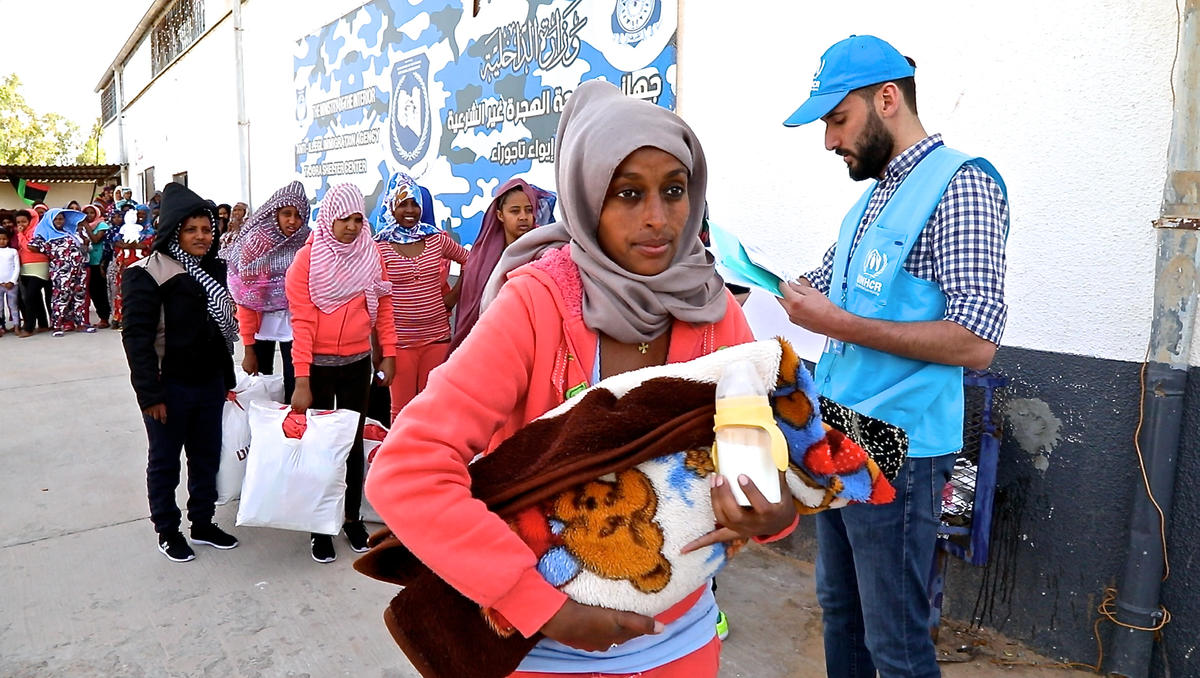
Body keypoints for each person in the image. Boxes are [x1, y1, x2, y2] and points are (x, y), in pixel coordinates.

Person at [365, 80, 797, 678]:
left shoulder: (713, 308)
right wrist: (540, 607)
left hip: (682, 644)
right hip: (545, 652)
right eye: (627, 194)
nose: (658, 219)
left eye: (674, 191)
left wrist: (775, 514)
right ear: (587, 197)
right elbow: (407, 470)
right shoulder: (536, 307)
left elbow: (772, 451)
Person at [776, 35, 1009, 678]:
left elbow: (976, 340)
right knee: (842, 614)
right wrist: (744, 282)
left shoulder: (961, 185)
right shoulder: (869, 201)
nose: (829, 141)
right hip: (844, 427)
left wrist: (838, 321)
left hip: (902, 442)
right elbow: (821, 287)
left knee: (896, 640)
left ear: (888, 99)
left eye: (837, 120)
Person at [121, 181, 241, 563]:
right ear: (174, 231)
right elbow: (137, 340)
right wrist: (150, 396)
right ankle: (168, 530)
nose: (202, 236)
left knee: (206, 457)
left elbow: (220, 333)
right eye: (192, 230)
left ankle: (202, 523)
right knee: (165, 462)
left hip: (209, 384)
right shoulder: (147, 273)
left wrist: (227, 381)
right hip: (168, 387)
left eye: (206, 229)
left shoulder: (214, 270)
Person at [286, 182, 397, 563]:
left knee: (350, 445)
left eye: (357, 219)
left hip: (355, 364)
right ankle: (320, 525)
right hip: (317, 368)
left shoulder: (371, 254)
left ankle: (350, 517)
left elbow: (384, 307)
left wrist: (389, 354)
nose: (351, 226)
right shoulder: (308, 261)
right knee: (319, 447)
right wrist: (301, 380)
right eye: (343, 219)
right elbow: (301, 321)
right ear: (329, 218)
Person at [372, 171, 469, 422]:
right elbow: (373, 300)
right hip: (399, 344)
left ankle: (430, 460)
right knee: (401, 411)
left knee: (434, 408)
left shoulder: (435, 239)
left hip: (437, 339)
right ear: (391, 206)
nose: (410, 210)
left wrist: (452, 297)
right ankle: (400, 461)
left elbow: (471, 261)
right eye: (403, 203)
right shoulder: (378, 246)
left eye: (415, 203)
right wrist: (378, 350)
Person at [448, 177, 555, 353]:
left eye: (528, 210)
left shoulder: (544, 253)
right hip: (490, 346)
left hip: (533, 345)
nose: (523, 217)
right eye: (515, 211)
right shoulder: (481, 259)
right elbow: (471, 314)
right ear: (500, 215)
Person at [230, 181, 309, 401]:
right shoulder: (255, 244)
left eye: (298, 215)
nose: (292, 221)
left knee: (295, 389)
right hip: (260, 329)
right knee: (261, 392)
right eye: (286, 213)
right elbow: (245, 300)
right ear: (275, 213)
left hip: (298, 328)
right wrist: (248, 349)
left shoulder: (308, 243)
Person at [28, 208, 94, 336]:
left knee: (79, 295)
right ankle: (57, 325)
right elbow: (31, 246)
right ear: (50, 220)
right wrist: (50, 252)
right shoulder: (45, 234)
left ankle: (80, 323)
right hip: (62, 271)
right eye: (56, 219)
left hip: (79, 268)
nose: (59, 221)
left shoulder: (69, 232)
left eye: (61, 219)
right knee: (61, 296)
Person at [13, 209, 52, 337]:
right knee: (35, 297)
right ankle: (43, 324)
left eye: (24, 221)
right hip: (25, 268)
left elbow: (29, 247)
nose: (21, 224)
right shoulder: (20, 233)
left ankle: (29, 328)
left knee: (29, 297)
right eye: (18, 222)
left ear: (31, 221)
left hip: (39, 266)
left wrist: (20, 235)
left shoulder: (37, 231)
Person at [82, 204, 112, 328]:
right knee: (93, 291)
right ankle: (101, 316)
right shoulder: (81, 228)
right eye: (86, 213)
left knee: (100, 291)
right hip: (88, 262)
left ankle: (104, 317)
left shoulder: (102, 225)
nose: (89, 215)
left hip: (100, 263)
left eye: (92, 213)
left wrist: (86, 226)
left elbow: (95, 240)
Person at [0, 228, 19, 336]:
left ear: (8, 240)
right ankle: (1, 327)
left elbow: (16, 268)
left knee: (13, 306)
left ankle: (16, 325)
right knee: (0, 307)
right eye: (0, 239)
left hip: (11, 285)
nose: (2, 241)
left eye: (4, 239)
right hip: (0, 284)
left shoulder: (13, 251)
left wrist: (12, 281)